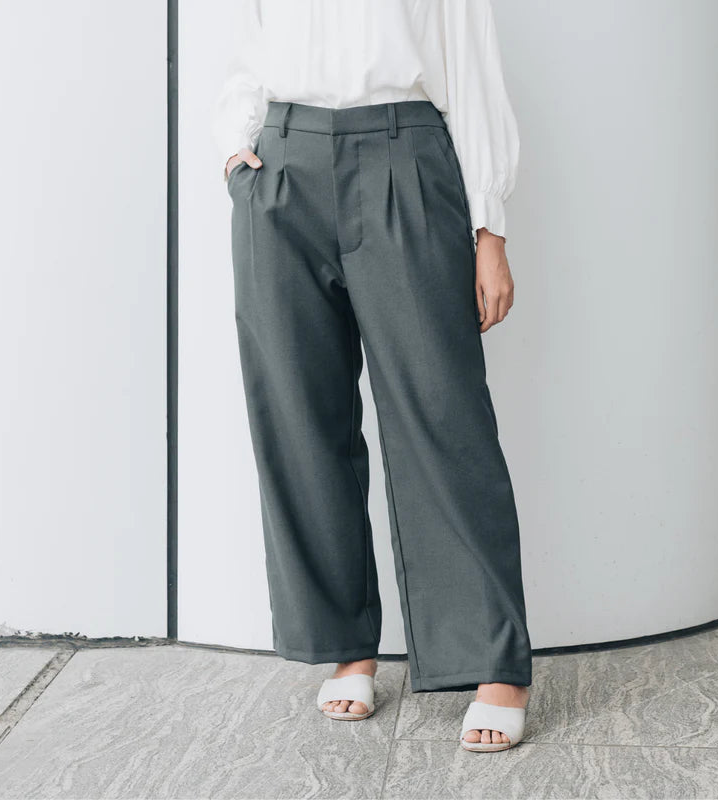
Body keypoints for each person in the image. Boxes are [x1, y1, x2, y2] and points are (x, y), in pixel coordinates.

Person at [212, 0, 532, 753]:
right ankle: (345, 643)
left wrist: (489, 228)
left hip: (404, 151)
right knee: (299, 416)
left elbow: (471, 63)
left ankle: (495, 661)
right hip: (282, 165)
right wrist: (235, 149)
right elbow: (241, 45)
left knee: (441, 412)